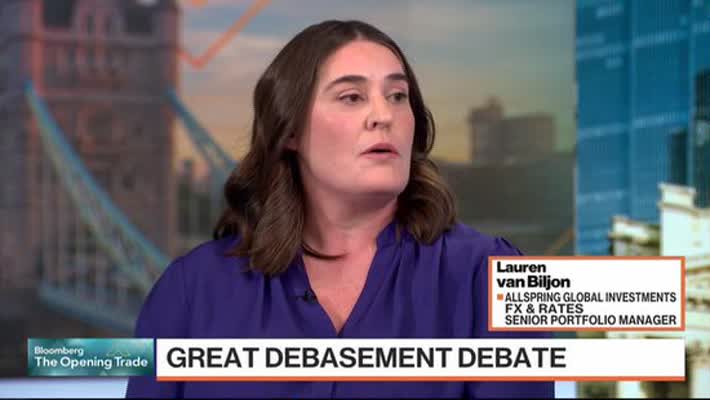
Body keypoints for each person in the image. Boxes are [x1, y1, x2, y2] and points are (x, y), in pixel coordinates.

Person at [126, 19, 554, 399]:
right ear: (290, 131)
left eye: (398, 96)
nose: (383, 115)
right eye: (351, 97)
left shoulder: (493, 279)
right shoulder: (190, 292)